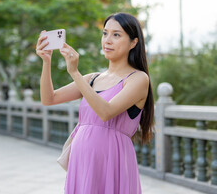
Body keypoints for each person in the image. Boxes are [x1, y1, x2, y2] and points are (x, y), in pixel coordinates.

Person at [35, 12, 154, 194]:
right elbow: (48, 98)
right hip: (81, 160)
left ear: (133, 42)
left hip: (111, 159)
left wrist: (74, 72)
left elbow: (106, 112)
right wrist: (46, 62)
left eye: (116, 35)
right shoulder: (92, 79)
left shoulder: (138, 79)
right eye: (105, 33)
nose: (107, 40)